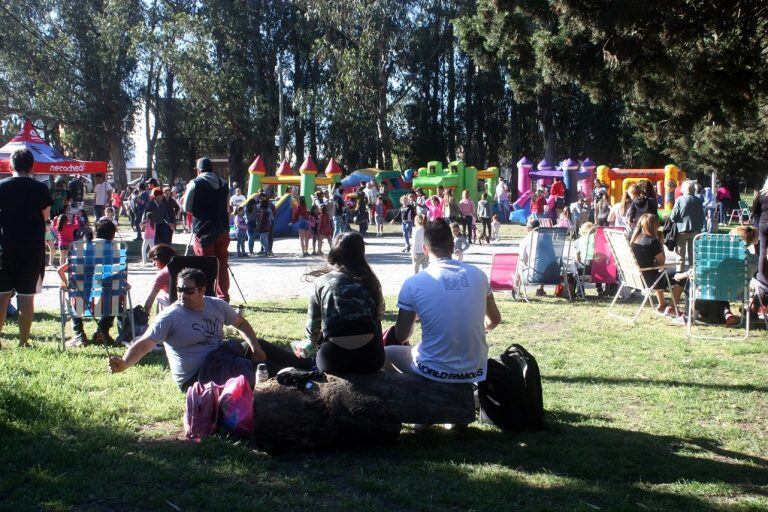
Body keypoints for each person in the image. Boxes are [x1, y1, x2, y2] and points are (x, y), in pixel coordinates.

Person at [383, 218, 501, 386]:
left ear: (424, 249)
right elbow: (494, 320)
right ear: (452, 246)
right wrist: (481, 328)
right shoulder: (479, 275)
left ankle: (411, 390)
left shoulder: (413, 283)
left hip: (432, 369)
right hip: (476, 369)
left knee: (386, 353)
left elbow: (402, 335)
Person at [108, 268, 267, 390]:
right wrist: (124, 364)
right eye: (179, 290)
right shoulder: (170, 316)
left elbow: (241, 324)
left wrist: (256, 348)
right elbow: (143, 345)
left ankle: (291, 363)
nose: (182, 295)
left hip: (220, 361)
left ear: (202, 290)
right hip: (195, 378)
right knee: (261, 370)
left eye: (188, 291)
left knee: (260, 346)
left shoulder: (217, 305)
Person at [0, 149, 54, 348]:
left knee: (2, 294)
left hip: (5, 246)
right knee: (26, 295)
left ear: (10, 165)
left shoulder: (1, 187)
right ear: (32, 167)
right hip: (32, 247)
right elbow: (46, 216)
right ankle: (23, 341)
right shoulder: (40, 189)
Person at [59, 219, 120, 347]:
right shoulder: (116, 251)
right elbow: (119, 279)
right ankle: (102, 332)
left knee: (72, 295)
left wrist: (65, 283)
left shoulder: (81, 249)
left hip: (83, 303)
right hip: (108, 304)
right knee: (115, 294)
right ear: (113, 235)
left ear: (95, 232)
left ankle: (79, 334)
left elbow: (61, 270)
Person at [184, 157, 231, 302]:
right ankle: (223, 297)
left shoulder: (195, 183)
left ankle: (207, 296)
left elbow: (187, 208)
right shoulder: (224, 183)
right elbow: (227, 207)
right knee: (222, 264)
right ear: (212, 169)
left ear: (198, 170)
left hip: (204, 230)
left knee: (205, 265)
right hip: (222, 228)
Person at [630, 213, 686, 317]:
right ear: (653, 226)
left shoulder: (634, 239)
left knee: (660, 271)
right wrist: (660, 244)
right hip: (650, 280)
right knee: (681, 275)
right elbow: (662, 262)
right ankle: (672, 308)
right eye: (657, 225)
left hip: (638, 278)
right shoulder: (652, 241)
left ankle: (662, 305)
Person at [670, 180, 705, 272]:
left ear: (683, 190)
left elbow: (673, 216)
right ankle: (692, 275)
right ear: (694, 190)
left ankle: (679, 275)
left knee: (680, 255)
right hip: (695, 231)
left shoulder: (680, 200)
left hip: (682, 230)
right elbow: (702, 216)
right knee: (693, 254)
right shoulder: (699, 201)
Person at [514, 218, 545, 296]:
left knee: (519, 264)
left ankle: (516, 290)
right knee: (543, 263)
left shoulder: (526, 240)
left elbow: (523, 259)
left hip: (533, 275)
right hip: (551, 274)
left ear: (529, 228)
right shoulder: (547, 237)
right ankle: (540, 289)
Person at [143, 244, 177, 313]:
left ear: (159, 260)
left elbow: (150, 301)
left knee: (160, 297)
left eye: (154, 261)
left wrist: (144, 313)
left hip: (171, 309)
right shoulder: (181, 268)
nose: (153, 264)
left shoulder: (162, 274)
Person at [753, 176, 768, 287]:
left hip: (763, 224)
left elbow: (755, 211)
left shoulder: (761, 194)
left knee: (762, 251)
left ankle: (761, 276)